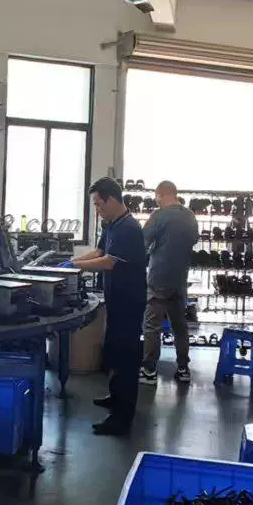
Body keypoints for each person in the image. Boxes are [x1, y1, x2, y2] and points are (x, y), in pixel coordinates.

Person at [71, 177, 147, 436]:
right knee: (114, 350)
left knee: (126, 357)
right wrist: (71, 262)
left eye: (98, 204)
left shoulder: (129, 228)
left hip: (129, 302)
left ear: (112, 199)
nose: (97, 209)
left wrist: (75, 267)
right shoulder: (113, 224)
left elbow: (108, 262)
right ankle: (116, 397)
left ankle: (122, 418)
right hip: (116, 299)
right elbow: (99, 252)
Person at [139, 180, 199, 385]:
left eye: (157, 197)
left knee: (152, 326)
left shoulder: (159, 215)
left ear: (161, 195)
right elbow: (193, 240)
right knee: (180, 326)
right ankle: (183, 369)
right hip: (180, 279)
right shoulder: (190, 216)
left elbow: (143, 241)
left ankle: (149, 371)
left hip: (158, 278)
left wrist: (154, 247)